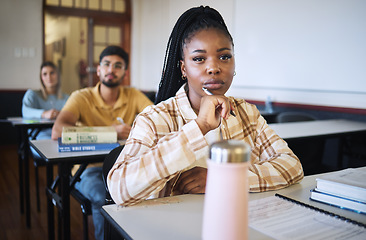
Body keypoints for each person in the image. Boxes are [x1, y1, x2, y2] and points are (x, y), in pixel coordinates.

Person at [107, 6, 304, 207]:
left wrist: (222, 179)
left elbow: (292, 166)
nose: (213, 68)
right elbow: (119, 189)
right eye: (199, 59)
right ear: (184, 68)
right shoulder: (155, 119)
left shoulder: (246, 113)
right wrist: (199, 127)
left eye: (224, 56)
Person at [51, 46, 153, 240]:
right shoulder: (81, 96)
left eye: (118, 66)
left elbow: (159, 121)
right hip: (87, 169)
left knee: (151, 194)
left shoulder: (133, 95)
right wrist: (110, 132)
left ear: (125, 72)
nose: (111, 70)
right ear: (98, 69)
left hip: (126, 166)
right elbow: (58, 131)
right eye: (106, 64)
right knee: (104, 198)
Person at [22, 61, 69, 139]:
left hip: (61, 134)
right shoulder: (32, 94)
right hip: (39, 135)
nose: (49, 77)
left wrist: (61, 115)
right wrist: (44, 114)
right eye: (45, 74)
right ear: (41, 78)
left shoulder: (67, 97)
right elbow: (26, 111)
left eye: (52, 73)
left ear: (58, 75)